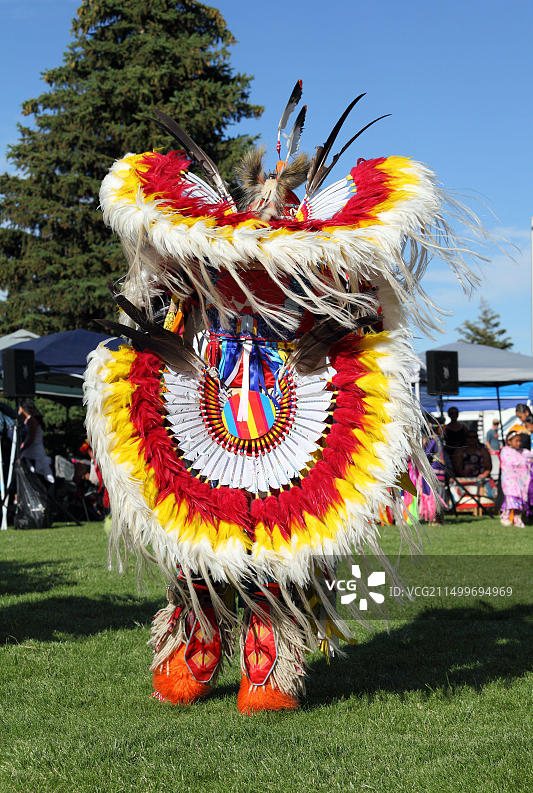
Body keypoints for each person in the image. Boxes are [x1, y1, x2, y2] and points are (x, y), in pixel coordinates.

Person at [84, 86, 482, 712]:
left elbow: (370, 309)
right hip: (201, 393)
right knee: (199, 531)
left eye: (281, 195)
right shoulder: (203, 246)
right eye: (259, 194)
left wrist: (330, 332)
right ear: (241, 199)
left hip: (294, 401)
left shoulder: (320, 258)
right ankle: (195, 639)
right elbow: (153, 267)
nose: (269, 202)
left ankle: (272, 657)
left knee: (279, 543)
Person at [500, 431, 533, 527]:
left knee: (519, 501)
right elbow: (511, 463)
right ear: (509, 441)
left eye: (519, 441)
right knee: (512, 499)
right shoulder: (505, 451)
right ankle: (507, 517)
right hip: (510, 480)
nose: (519, 443)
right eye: (516, 441)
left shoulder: (523, 452)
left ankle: (516, 518)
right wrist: (523, 462)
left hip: (521, 482)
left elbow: (530, 457)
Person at [17, 399, 54, 485]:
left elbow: (31, 438)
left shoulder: (32, 421)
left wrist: (22, 449)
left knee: (35, 476)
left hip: (33, 453)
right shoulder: (29, 420)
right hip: (32, 452)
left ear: (22, 408)